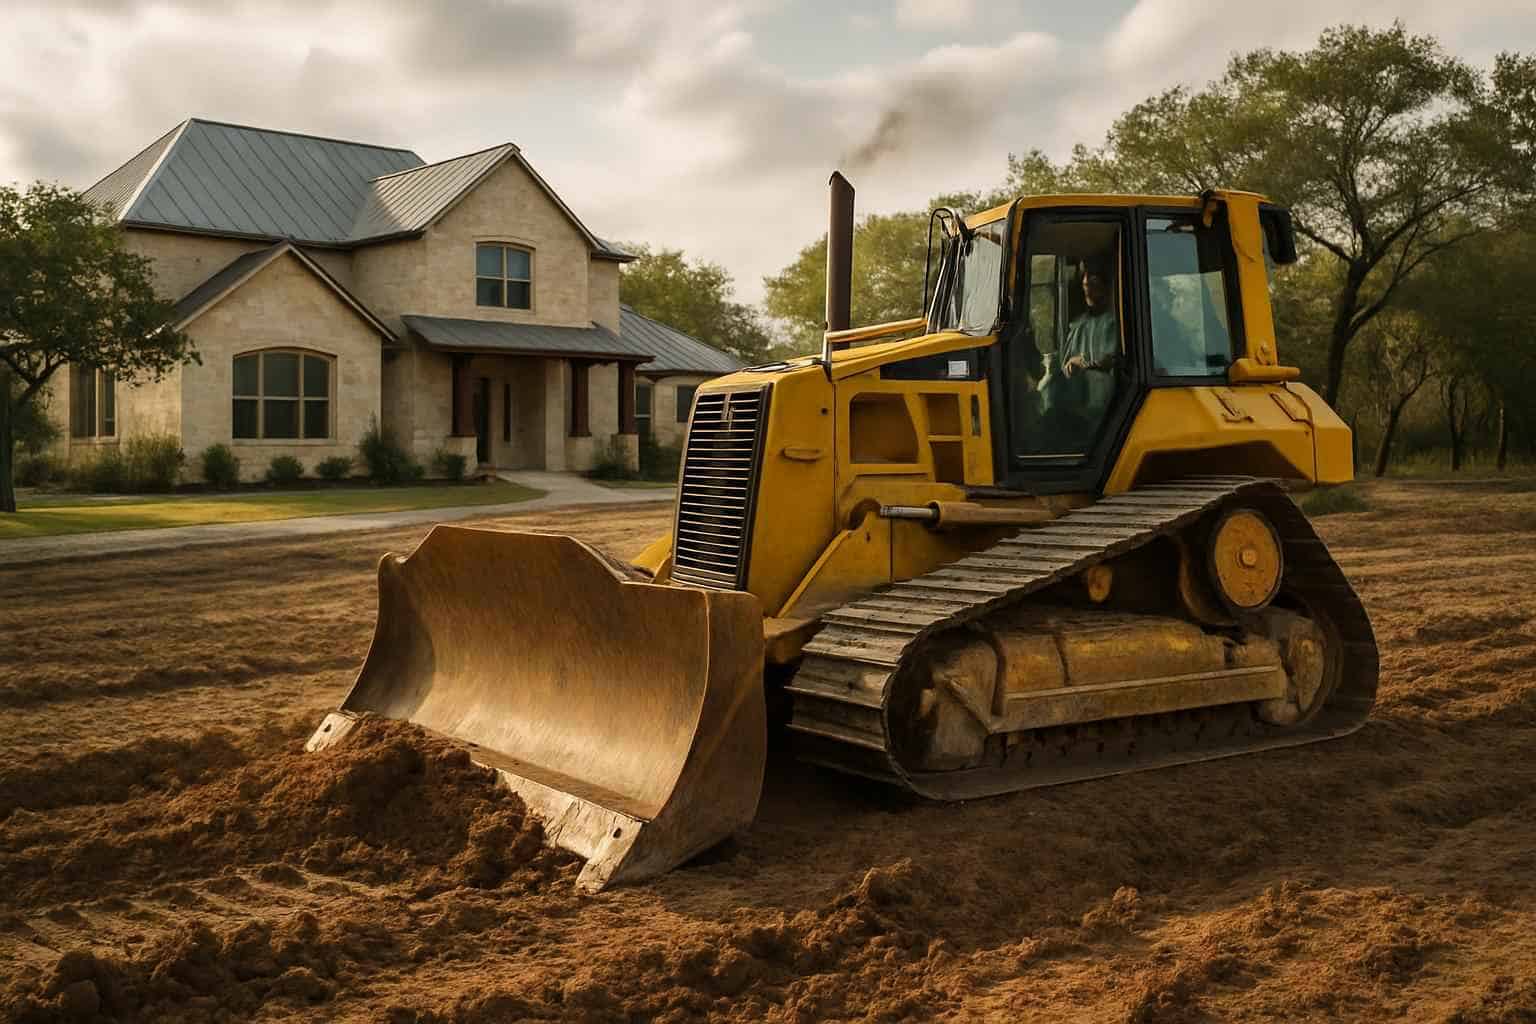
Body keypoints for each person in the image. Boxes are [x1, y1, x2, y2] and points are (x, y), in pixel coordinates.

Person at [1038, 262, 1120, 444]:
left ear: (1105, 288)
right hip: (1076, 402)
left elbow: (1111, 359)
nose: (1088, 291)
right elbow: (1064, 359)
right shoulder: (1078, 325)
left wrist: (1083, 363)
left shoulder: (1113, 324)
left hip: (1101, 405)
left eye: (1093, 284)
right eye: (1085, 286)